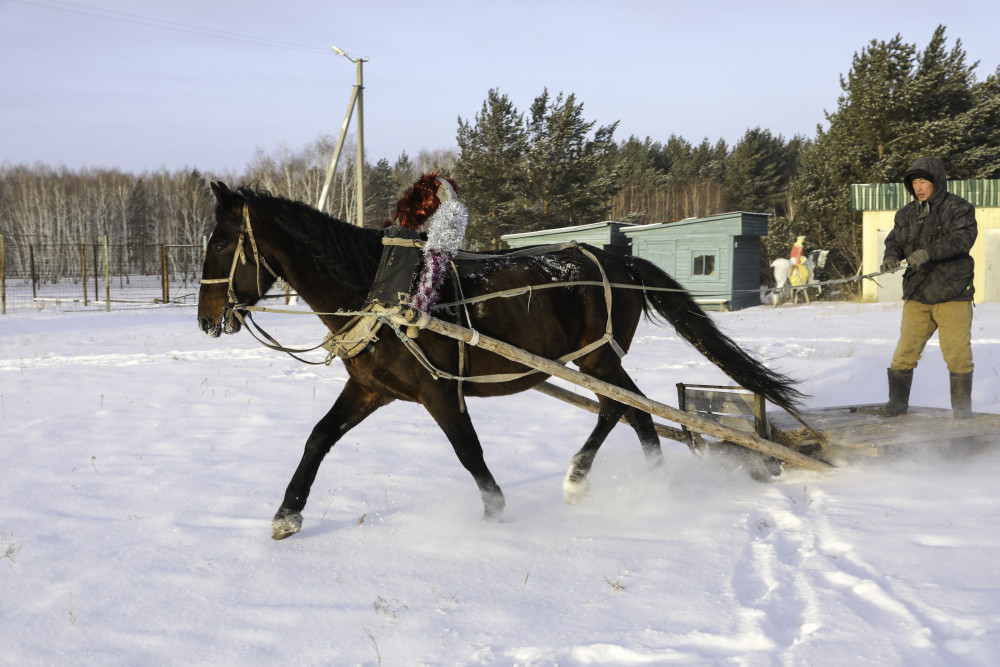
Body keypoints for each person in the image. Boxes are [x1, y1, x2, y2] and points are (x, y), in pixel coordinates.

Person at [879, 156, 977, 418]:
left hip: (952, 294)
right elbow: (895, 241)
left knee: (958, 357)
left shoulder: (959, 208)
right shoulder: (906, 213)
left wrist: (928, 252)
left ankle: (962, 414)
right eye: (914, 182)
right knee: (903, 354)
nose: (918, 187)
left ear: (937, 182)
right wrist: (891, 256)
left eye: (924, 181)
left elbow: (962, 239)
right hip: (917, 293)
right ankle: (896, 406)